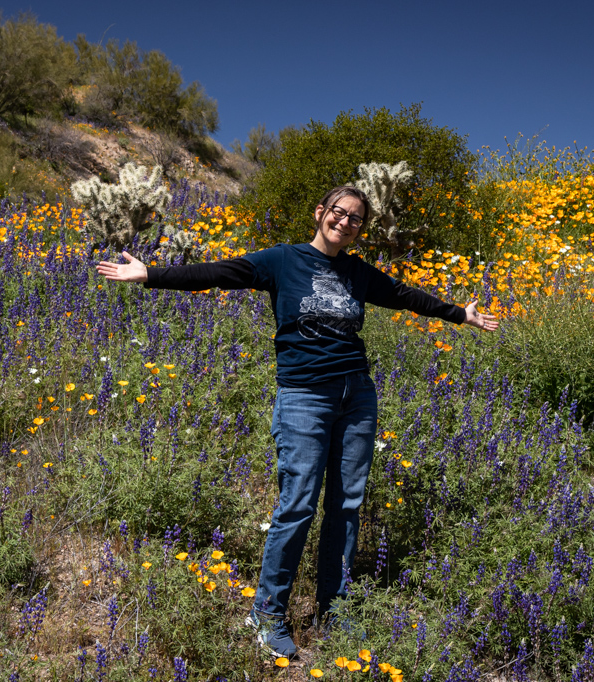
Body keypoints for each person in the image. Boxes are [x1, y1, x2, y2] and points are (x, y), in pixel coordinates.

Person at [96, 186, 499, 659]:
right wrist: (151, 275)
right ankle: (266, 613)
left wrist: (459, 314)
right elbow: (220, 272)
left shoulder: (357, 273)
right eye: (338, 212)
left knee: (347, 505)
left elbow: (405, 296)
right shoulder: (283, 261)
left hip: (357, 397)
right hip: (305, 396)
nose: (345, 222)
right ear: (319, 212)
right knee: (299, 503)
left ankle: (336, 610)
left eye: (355, 219)